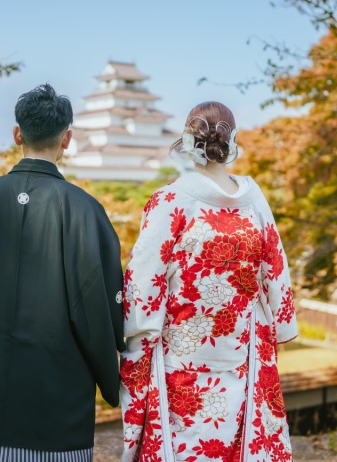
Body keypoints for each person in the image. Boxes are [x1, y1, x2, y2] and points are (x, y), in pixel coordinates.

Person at [0, 84, 125, 462]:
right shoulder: (85, 210)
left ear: (17, 134)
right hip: (61, 409)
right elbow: (101, 311)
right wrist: (111, 372)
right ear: (67, 139)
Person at [120, 101, 298, 462]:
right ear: (231, 141)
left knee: (187, 446)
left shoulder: (170, 199)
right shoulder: (254, 200)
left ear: (188, 140)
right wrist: (277, 323)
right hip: (243, 347)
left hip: (181, 351)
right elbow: (275, 272)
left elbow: (143, 281)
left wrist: (138, 332)